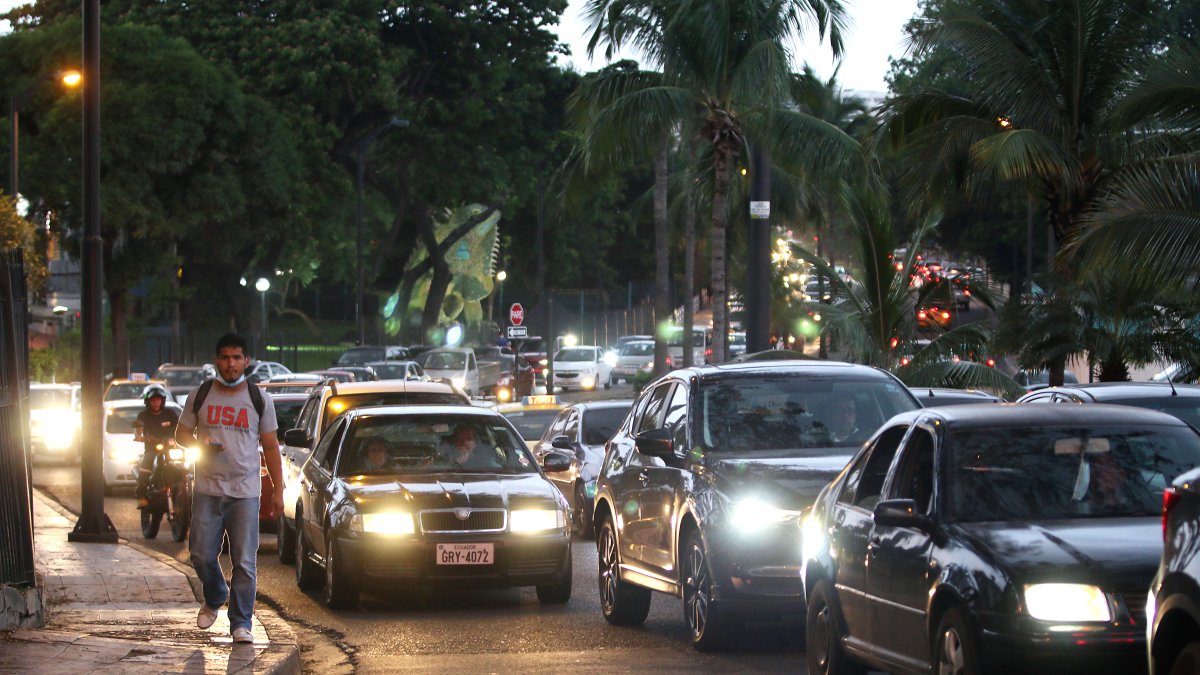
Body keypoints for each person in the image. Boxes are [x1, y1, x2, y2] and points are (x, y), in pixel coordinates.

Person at [176, 333, 284, 644]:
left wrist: (278, 490)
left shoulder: (259, 399)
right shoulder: (201, 394)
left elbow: (271, 447)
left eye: (237, 357)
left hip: (245, 492)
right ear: (216, 361)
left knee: (244, 562)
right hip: (208, 490)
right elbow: (182, 436)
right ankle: (215, 595)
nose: (231, 363)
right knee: (200, 554)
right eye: (225, 357)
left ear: (246, 361)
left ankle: (241, 623)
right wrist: (199, 442)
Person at [134, 383, 179, 509]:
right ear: (148, 401)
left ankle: (186, 492)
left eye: (158, 399)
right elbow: (138, 430)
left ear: (162, 400)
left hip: (171, 449)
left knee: (187, 463)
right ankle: (141, 495)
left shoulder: (170, 413)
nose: (156, 403)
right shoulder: (143, 415)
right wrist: (141, 436)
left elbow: (180, 428)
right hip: (153, 449)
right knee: (147, 461)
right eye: (153, 400)